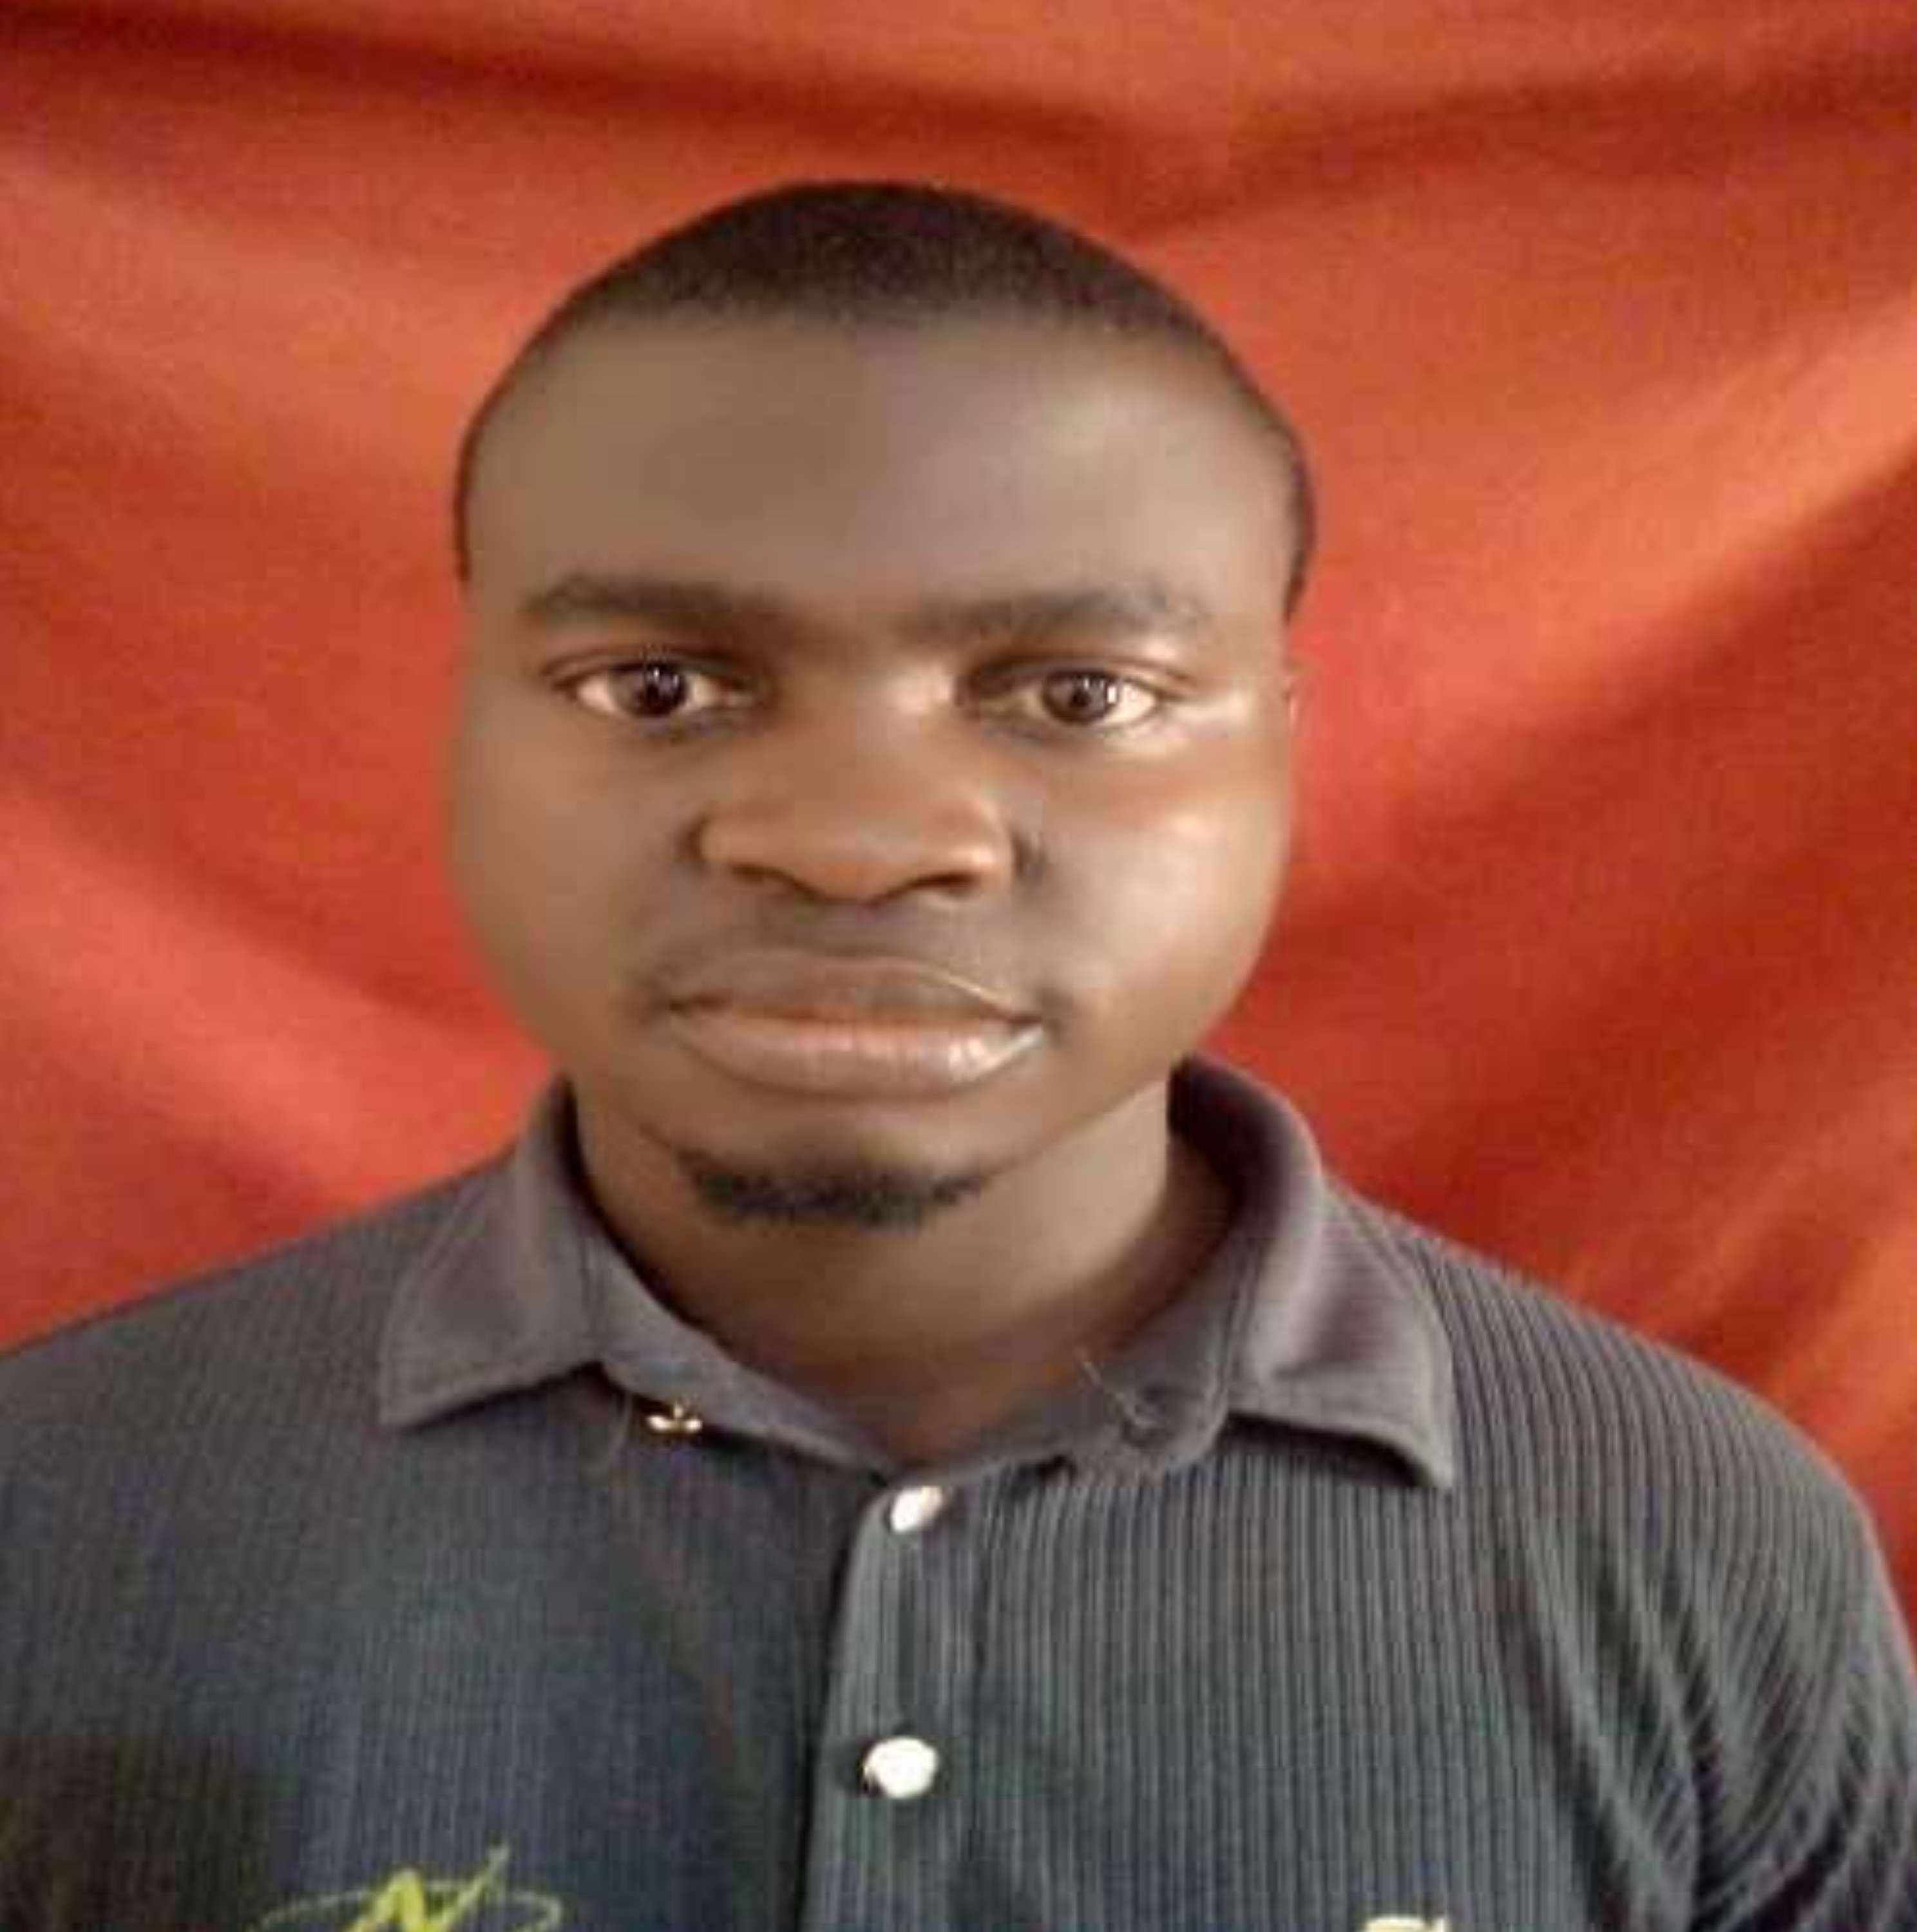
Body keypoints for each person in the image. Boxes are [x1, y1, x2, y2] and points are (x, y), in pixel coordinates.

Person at [2, 180, 1911, 1932]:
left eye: (1079, 693)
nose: (858, 841)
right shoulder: (56, 1507)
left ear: (1283, 751)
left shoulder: (1702, 1550)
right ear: (469, 728)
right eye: (659, 685)